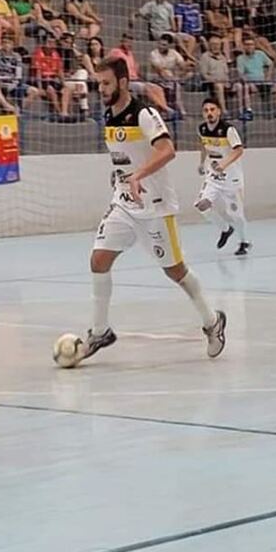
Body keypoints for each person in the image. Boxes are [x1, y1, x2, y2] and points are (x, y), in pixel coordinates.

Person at [77, 56, 227, 365]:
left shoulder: (144, 114)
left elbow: (167, 150)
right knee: (98, 259)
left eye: (105, 83)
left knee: (175, 271)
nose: (100, 89)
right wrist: (122, 177)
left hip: (155, 207)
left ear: (122, 82)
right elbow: (124, 157)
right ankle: (99, 331)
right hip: (124, 203)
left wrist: (138, 176)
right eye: (98, 83)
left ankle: (212, 321)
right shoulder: (108, 115)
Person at [195, 97, 249, 256]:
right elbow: (204, 146)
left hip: (232, 179)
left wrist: (223, 165)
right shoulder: (202, 129)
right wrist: (201, 162)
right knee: (202, 206)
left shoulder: (228, 130)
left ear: (218, 111)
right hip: (213, 178)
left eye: (212, 110)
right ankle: (226, 229)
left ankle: (244, 242)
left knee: (236, 214)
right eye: (206, 111)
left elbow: (239, 150)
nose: (209, 113)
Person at [235, 36, 276, 120]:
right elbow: (241, 73)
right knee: (245, 87)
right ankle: (248, 111)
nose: (249, 46)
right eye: (247, 44)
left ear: (254, 46)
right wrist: (247, 80)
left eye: (251, 44)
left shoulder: (260, 54)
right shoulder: (240, 58)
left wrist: (268, 76)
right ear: (243, 46)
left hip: (263, 82)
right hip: (251, 84)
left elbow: (271, 64)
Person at [149, 33, 190, 118]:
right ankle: (173, 110)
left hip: (172, 78)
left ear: (169, 46)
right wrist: (172, 77)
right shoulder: (153, 54)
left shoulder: (173, 53)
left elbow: (182, 65)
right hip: (156, 77)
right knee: (170, 78)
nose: (161, 46)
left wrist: (185, 67)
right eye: (160, 44)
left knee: (178, 83)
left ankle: (179, 110)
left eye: (164, 45)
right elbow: (159, 69)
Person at [199, 35, 236, 116]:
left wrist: (228, 81)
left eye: (217, 44)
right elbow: (204, 74)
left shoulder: (223, 57)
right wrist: (214, 80)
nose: (215, 47)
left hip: (225, 82)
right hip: (211, 83)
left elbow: (226, 73)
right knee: (219, 86)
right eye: (213, 44)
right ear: (209, 45)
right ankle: (224, 111)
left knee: (239, 86)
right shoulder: (205, 57)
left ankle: (242, 111)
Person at [30, 33, 65, 117]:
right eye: (49, 42)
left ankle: (65, 111)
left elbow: (60, 71)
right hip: (42, 79)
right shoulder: (38, 53)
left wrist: (64, 84)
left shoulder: (56, 54)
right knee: (50, 89)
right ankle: (59, 112)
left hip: (53, 79)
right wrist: (40, 88)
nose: (51, 45)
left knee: (67, 89)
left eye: (53, 43)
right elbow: (37, 72)